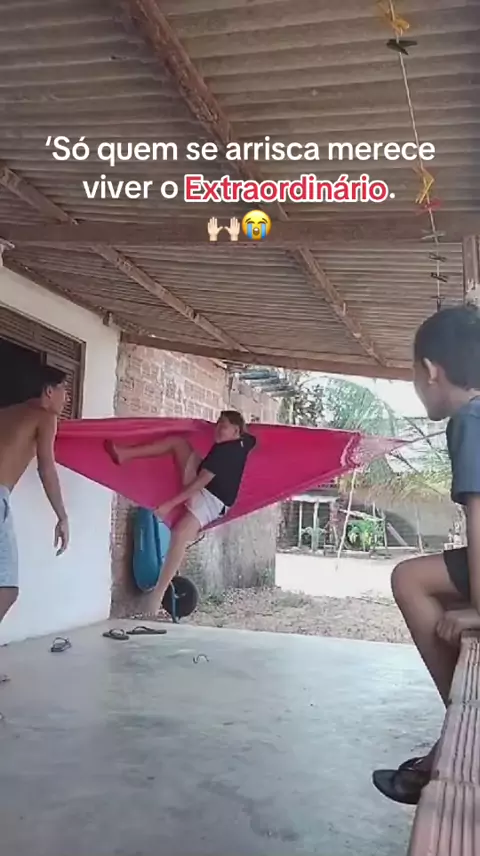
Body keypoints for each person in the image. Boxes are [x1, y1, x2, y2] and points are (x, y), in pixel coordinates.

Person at [373, 305, 480, 805]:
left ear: (431, 371)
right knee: (421, 577)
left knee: (409, 579)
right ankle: (450, 739)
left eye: (414, 375)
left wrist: (478, 608)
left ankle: (464, 722)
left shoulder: (470, 419)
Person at [105, 410, 256, 606]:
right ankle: (124, 454)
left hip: (209, 501)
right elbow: (253, 438)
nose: (218, 429)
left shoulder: (223, 453)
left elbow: (198, 485)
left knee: (179, 535)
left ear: (235, 430)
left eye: (223, 426)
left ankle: (157, 596)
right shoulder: (244, 443)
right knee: (178, 443)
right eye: (217, 425)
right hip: (214, 492)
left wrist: (169, 504)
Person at [0, 366, 70, 678]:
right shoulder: (45, 417)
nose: (66, 398)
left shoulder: (6, 414)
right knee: (6, 588)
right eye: (64, 389)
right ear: (48, 391)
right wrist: (62, 515)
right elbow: (46, 467)